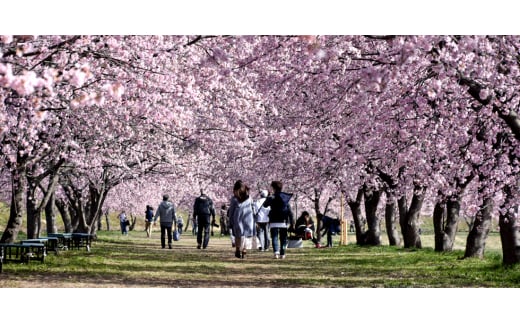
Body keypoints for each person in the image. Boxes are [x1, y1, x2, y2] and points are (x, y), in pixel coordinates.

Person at [262, 180, 295, 259]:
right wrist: (292, 221)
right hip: (283, 220)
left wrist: (268, 197)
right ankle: (282, 253)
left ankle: (276, 252)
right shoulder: (285, 197)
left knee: (274, 237)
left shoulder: (272, 197)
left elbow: (265, 205)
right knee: (283, 238)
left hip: (274, 220)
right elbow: (289, 210)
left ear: (273, 188)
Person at [229, 180, 255, 259]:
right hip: (248, 218)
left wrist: (230, 221)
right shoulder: (249, 198)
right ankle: (244, 250)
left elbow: (231, 211)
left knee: (238, 235)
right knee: (246, 235)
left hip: (238, 219)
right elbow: (253, 208)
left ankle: (238, 250)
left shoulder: (234, 199)